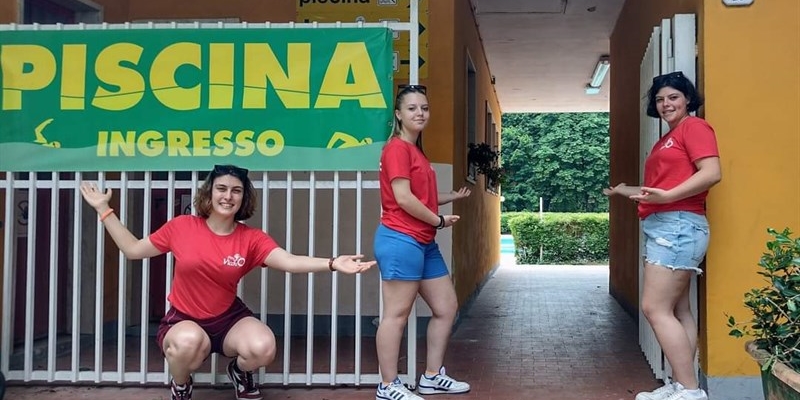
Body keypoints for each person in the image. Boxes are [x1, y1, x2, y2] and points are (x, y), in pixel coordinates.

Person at [79, 164, 374, 400]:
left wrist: (333, 263)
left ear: (244, 198)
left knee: (263, 347)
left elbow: (288, 261)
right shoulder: (182, 227)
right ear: (209, 193)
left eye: (236, 191)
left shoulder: (250, 238)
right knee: (187, 344)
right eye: (221, 188)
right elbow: (133, 250)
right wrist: (104, 210)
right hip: (184, 320)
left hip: (227, 319)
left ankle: (240, 372)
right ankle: (181, 384)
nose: (228, 196)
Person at [603, 71, 721, 400]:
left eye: (673, 97)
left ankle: (691, 391)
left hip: (678, 225)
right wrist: (623, 190)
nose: (666, 104)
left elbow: (712, 173)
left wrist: (667, 197)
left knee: (654, 308)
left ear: (687, 99)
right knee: (679, 310)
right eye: (659, 99)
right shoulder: (668, 137)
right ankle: (681, 384)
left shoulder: (694, 127)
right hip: (668, 225)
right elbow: (657, 189)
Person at [373, 84, 472, 400]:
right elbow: (403, 198)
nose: (420, 113)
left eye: (425, 108)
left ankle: (431, 377)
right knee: (396, 315)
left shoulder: (415, 151)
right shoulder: (397, 149)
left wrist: (450, 197)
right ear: (398, 114)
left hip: (424, 242)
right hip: (401, 239)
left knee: (446, 307)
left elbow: (422, 197)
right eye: (412, 108)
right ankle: (388, 385)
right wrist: (438, 221)